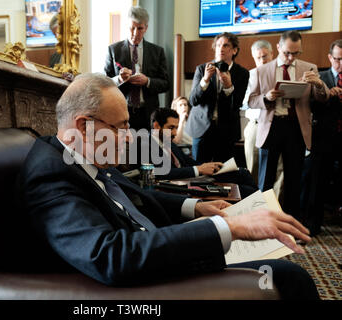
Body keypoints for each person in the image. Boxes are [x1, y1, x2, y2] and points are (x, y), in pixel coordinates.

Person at [16, 73, 318, 299]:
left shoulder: (85, 158)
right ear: (83, 125)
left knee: (275, 262)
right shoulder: (51, 174)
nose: (129, 136)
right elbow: (109, 255)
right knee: (288, 278)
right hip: (145, 280)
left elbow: (138, 196)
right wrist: (230, 228)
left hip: (162, 248)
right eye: (120, 127)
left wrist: (196, 207)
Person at [247, 31, 329, 221]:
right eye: (287, 53)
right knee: (265, 181)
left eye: (296, 53)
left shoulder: (310, 68)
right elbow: (251, 101)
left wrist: (318, 83)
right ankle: (263, 224)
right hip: (272, 126)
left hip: (297, 128)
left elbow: (323, 98)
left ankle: (291, 226)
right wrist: (266, 98)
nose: (291, 58)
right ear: (278, 48)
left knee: (293, 181)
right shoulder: (261, 70)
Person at [146, 108, 258, 198]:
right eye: (171, 128)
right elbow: (162, 172)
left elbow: (188, 161)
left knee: (243, 173)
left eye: (176, 127)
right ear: (156, 126)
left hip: (194, 178)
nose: (175, 133)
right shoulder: (148, 145)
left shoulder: (169, 143)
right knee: (248, 191)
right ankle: (263, 206)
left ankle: (264, 206)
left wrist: (209, 166)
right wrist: (198, 170)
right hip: (183, 185)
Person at [185, 32, 249, 163]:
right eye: (218, 45)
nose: (221, 48)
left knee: (224, 174)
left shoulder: (242, 73)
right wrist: (205, 80)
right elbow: (193, 100)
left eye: (226, 45)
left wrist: (229, 86)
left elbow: (237, 103)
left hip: (227, 131)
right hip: (201, 129)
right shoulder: (202, 69)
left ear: (234, 50)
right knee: (199, 173)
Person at [104, 6, 169, 131]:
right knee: (124, 150)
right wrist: (119, 79)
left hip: (149, 114)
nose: (135, 33)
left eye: (140, 28)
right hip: (121, 112)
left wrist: (147, 81)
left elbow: (166, 84)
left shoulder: (157, 52)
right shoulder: (113, 50)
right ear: (126, 26)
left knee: (148, 150)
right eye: (132, 28)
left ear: (146, 28)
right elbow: (104, 84)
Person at [301, 39, 342, 235]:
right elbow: (312, 107)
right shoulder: (321, 77)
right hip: (324, 138)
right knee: (317, 183)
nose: (340, 64)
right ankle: (312, 226)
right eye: (337, 59)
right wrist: (327, 94)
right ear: (329, 57)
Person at [243, 40, 284, 198]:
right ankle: (254, 205)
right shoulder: (251, 75)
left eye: (265, 56)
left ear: (272, 54)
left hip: (278, 125)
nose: (262, 60)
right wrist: (264, 97)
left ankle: (275, 207)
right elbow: (245, 103)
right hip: (255, 125)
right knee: (252, 168)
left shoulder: (282, 73)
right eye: (258, 58)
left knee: (280, 170)